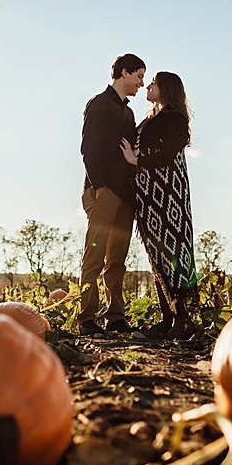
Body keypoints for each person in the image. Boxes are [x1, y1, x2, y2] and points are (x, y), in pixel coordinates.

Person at [120, 71, 198, 339]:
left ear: (165, 89)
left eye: (152, 83)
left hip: (169, 198)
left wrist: (135, 161)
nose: (147, 87)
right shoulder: (151, 118)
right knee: (156, 255)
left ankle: (183, 319)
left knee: (173, 251)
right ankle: (168, 318)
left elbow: (166, 154)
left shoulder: (176, 119)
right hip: (149, 199)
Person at [78, 53, 145, 336]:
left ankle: (115, 316)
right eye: (139, 76)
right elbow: (88, 149)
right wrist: (99, 186)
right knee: (94, 255)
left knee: (117, 259)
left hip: (125, 195)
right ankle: (86, 317)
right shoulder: (99, 105)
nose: (141, 83)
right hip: (103, 191)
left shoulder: (128, 113)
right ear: (124, 72)